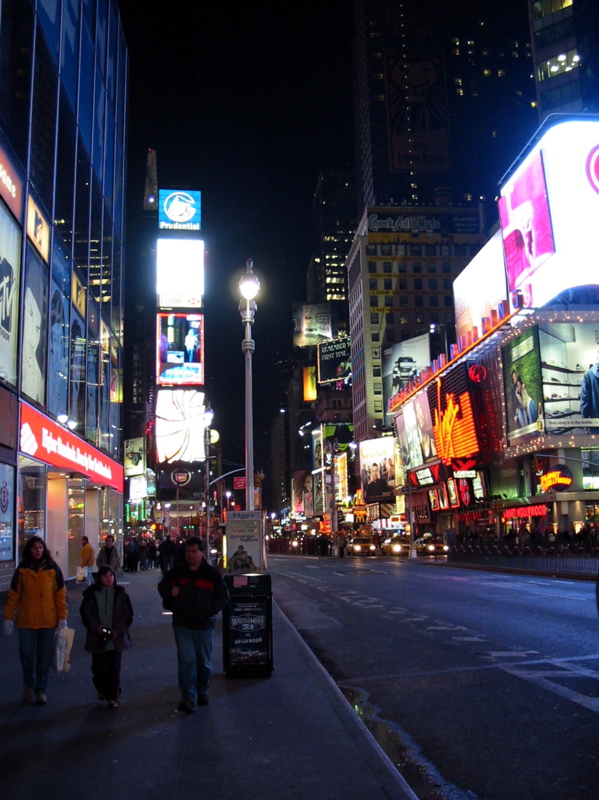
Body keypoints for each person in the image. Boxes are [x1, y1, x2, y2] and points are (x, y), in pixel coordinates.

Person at [157, 537, 229, 713]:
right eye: (188, 551)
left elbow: (223, 596)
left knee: (203, 661)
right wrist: (170, 592)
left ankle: (202, 690)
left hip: (204, 624)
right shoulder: (177, 572)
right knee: (187, 660)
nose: (190, 555)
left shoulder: (211, 574)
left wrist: (210, 610)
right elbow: (162, 587)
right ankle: (189, 696)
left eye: (194, 551)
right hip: (183, 623)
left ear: (201, 553)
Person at [3, 536, 68, 704]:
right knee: (26, 653)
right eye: (34, 548)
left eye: (40, 547)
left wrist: (62, 617)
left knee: (44, 656)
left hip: (48, 620)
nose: (38, 550)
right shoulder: (22, 569)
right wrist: (8, 618)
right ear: (29, 550)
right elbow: (13, 596)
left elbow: (60, 595)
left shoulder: (52, 568)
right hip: (26, 620)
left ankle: (41, 689)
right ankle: (28, 684)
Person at [80, 566, 133, 708]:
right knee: (98, 667)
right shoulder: (92, 594)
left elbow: (127, 615)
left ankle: (112, 695)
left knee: (114, 667)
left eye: (111, 575)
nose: (109, 578)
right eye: (105, 576)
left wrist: (119, 630)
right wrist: (96, 627)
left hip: (116, 638)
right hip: (97, 637)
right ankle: (102, 687)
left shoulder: (121, 594)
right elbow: (87, 614)